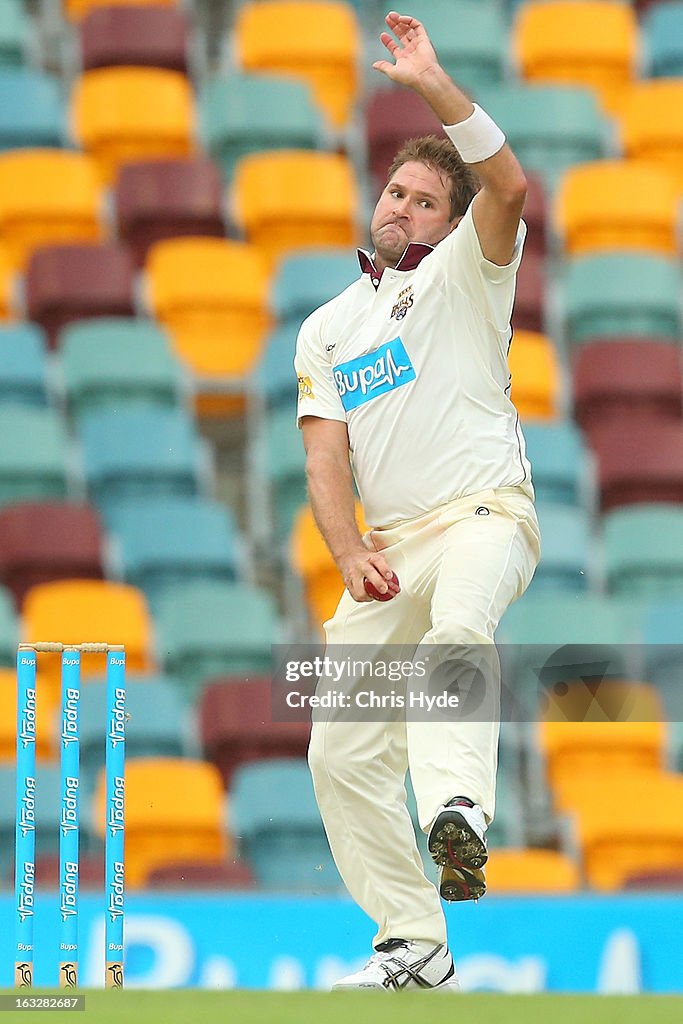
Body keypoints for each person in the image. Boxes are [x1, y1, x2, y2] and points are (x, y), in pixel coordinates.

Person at [294, 10, 541, 991]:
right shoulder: (327, 327)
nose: (400, 209)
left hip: (482, 515)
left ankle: (457, 816)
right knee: (336, 750)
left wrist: (433, 83)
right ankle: (414, 942)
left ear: (450, 222)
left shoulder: (468, 277)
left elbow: (512, 186)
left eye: (425, 201)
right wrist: (346, 549)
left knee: (459, 629)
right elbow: (323, 456)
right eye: (394, 190)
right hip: (387, 549)